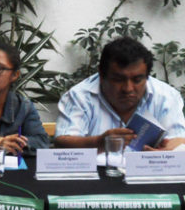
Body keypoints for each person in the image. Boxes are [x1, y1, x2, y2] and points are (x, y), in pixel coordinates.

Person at [54, 37, 185, 150]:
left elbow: (179, 140)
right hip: (98, 170)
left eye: (137, 80)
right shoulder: (79, 96)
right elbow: (63, 141)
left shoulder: (166, 96)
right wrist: (99, 142)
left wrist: (165, 154)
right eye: (118, 79)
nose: (128, 89)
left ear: (147, 76)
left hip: (150, 170)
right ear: (101, 75)